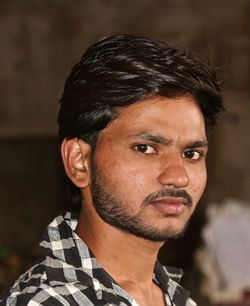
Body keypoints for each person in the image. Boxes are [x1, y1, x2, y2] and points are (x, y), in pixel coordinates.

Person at [0, 34, 224, 306]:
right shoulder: (46, 301)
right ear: (79, 161)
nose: (179, 176)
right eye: (145, 148)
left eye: (191, 154)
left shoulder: (175, 298)